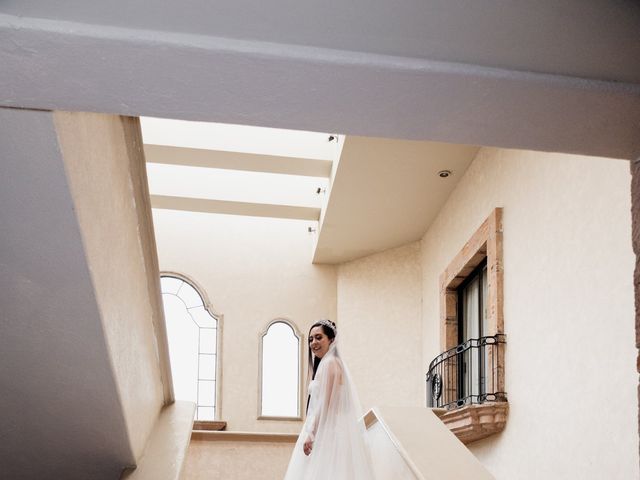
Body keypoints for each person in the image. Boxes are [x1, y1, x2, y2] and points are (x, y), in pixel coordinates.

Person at [283, 319, 375, 480]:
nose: (313, 343)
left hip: (327, 429)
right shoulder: (331, 363)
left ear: (331, 340)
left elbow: (325, 403)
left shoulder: (330, 363)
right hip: (329, 426)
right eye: (311, 339)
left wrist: (312, 433)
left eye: (319, 337)